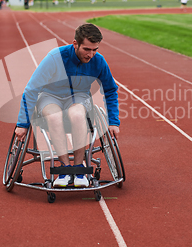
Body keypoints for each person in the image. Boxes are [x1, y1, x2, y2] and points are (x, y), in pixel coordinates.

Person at [15, 23, 120, 188]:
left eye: (95, 49)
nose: (91, 54)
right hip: (51, 96)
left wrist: (113, 121)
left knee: (77, 115)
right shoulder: (55, 57)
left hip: (78, 97)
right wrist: (22, 123)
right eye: (87, 49)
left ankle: (79, 169)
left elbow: (111, 90)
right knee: (54, 116)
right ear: (75, 44)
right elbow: (31, 90)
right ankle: (64, 169)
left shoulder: (98, 61)